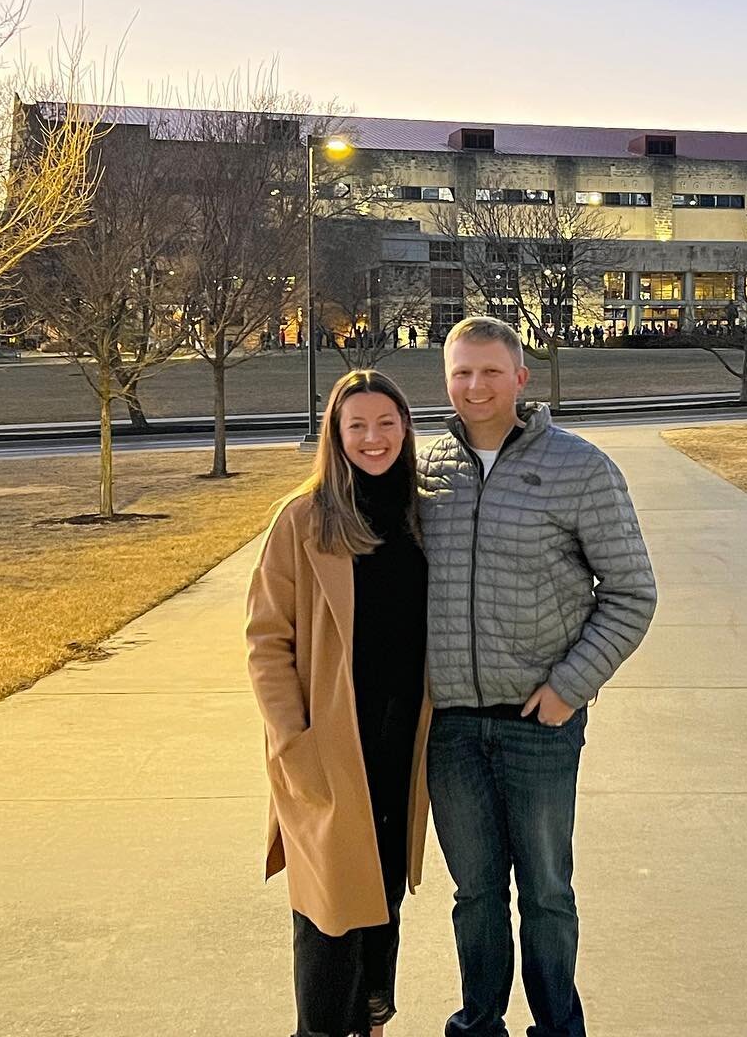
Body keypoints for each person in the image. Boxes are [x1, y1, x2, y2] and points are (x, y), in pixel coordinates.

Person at [418, 317, 658, 1037]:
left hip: (540, 724)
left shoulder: (580, 468)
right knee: (476, 894)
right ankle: (479, 1024)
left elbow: (631, 593)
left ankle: (559, 1027)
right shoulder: (427, 471)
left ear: (521, 379)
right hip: (452, 727)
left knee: (548, 892)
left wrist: (568, 689)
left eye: (491, 371)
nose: (474, 386)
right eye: (461, 372)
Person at [246, 369, 432, 1037]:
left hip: (401, 741)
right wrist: (294, 740)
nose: (373, 438)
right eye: (357, 425)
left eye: (386, 423)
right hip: (329, 746)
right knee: (327, 918)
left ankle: (373, 1024)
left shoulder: (421, 513)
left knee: (380, 900)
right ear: (336, 432)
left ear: (405, 429)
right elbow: (266, 641)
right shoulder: (302, 520)